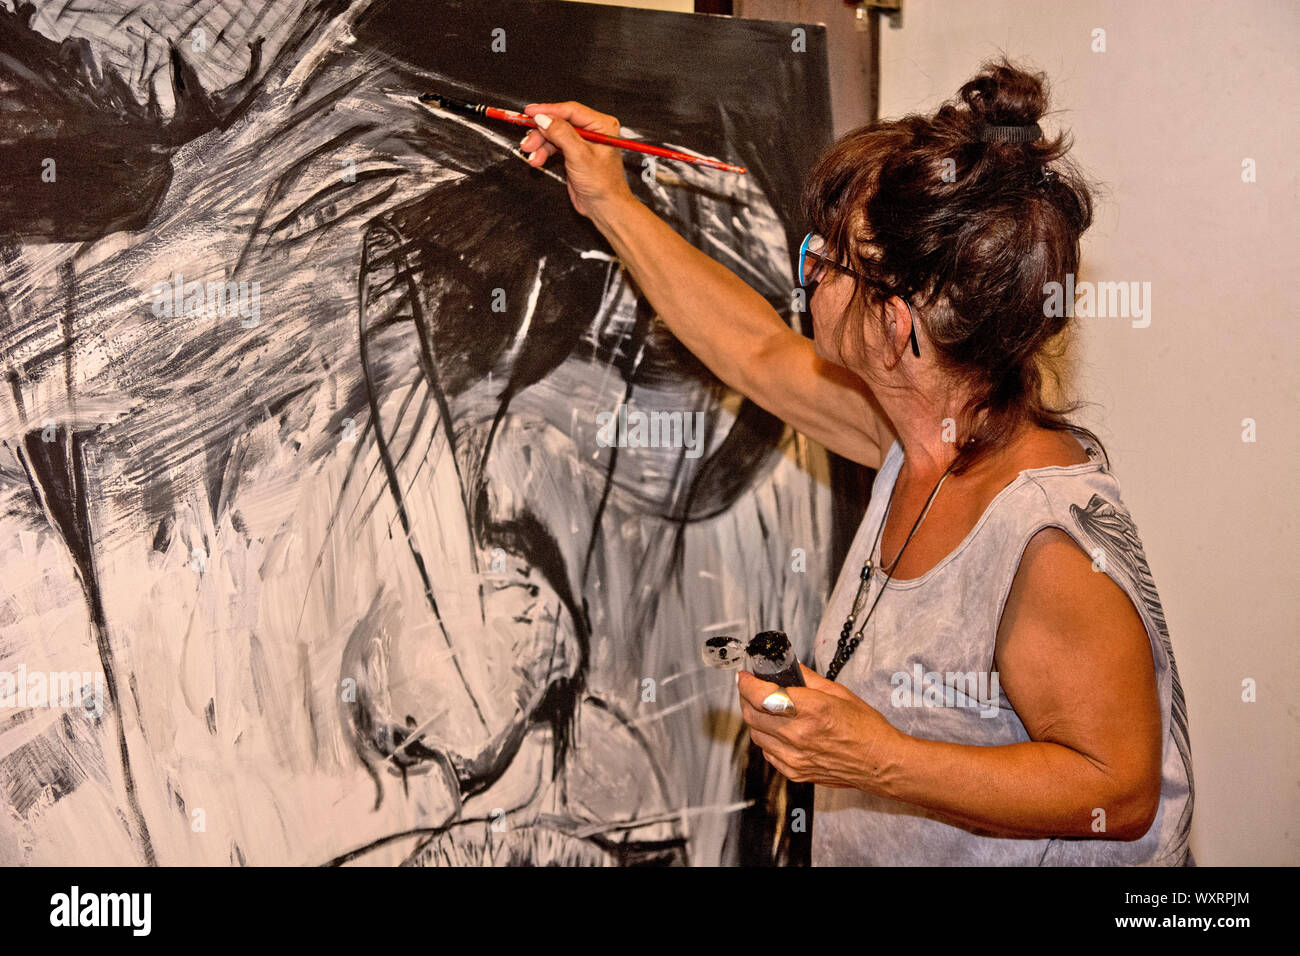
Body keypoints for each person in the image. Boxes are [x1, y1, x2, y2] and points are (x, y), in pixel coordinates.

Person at [520, 58, 1193, 866]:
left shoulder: (1045, 537)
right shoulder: (916, 437)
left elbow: (1118, 791)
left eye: (828, 259)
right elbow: (758, 353)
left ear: (897, 322)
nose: (809, 277)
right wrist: (611, 200)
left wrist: (874, 758)